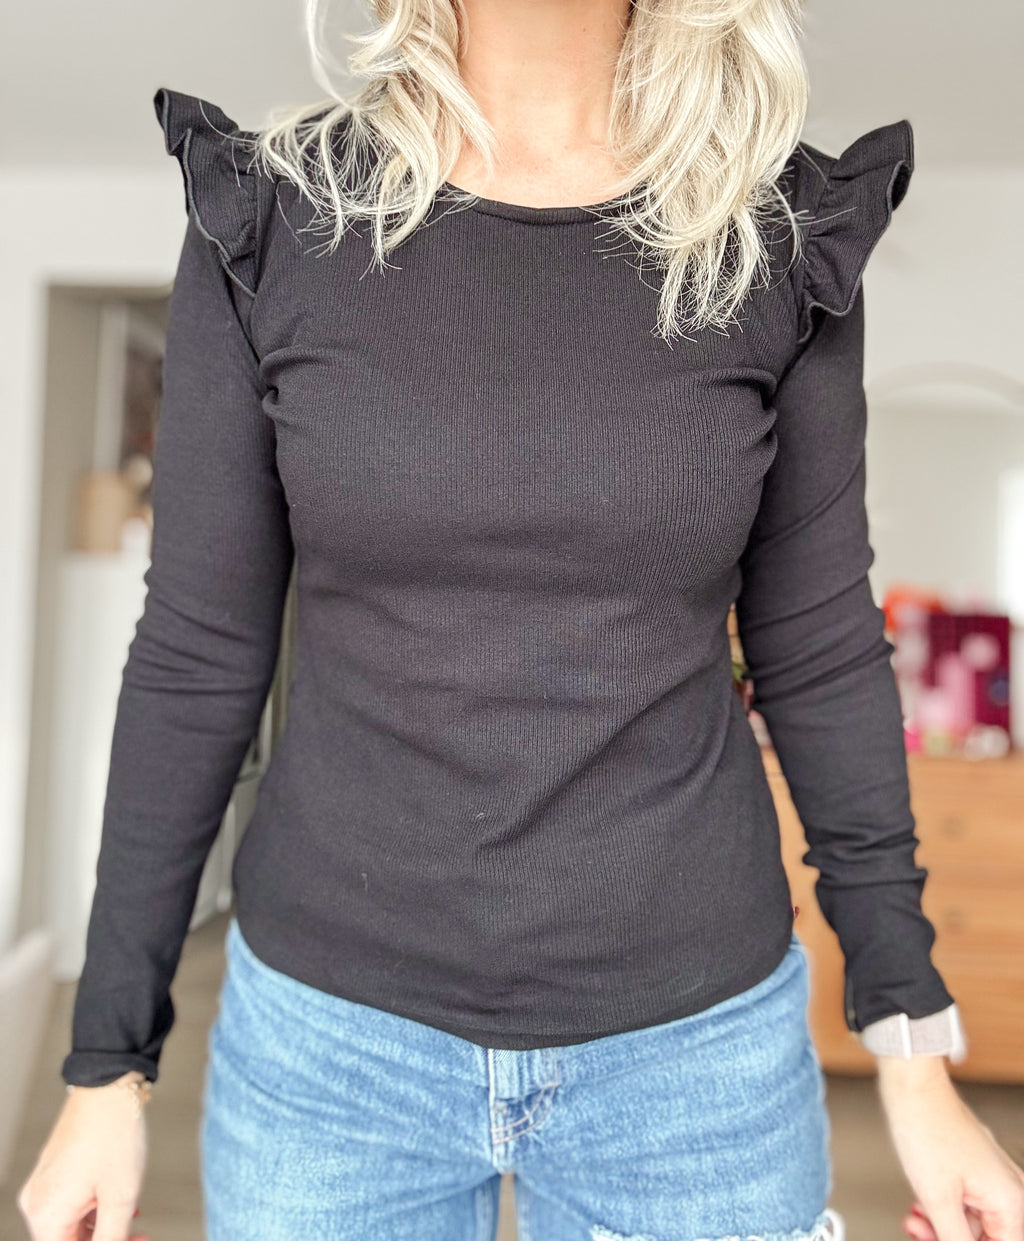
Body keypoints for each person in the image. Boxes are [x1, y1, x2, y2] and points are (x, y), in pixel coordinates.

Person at [17, 1, 1024, 1239]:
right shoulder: (276, 217)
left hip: (693, 1062)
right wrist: (105, 1063)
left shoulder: (771, 235)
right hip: (330, 1058)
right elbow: (196, 657)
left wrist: (913, 1050)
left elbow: (817, 653)